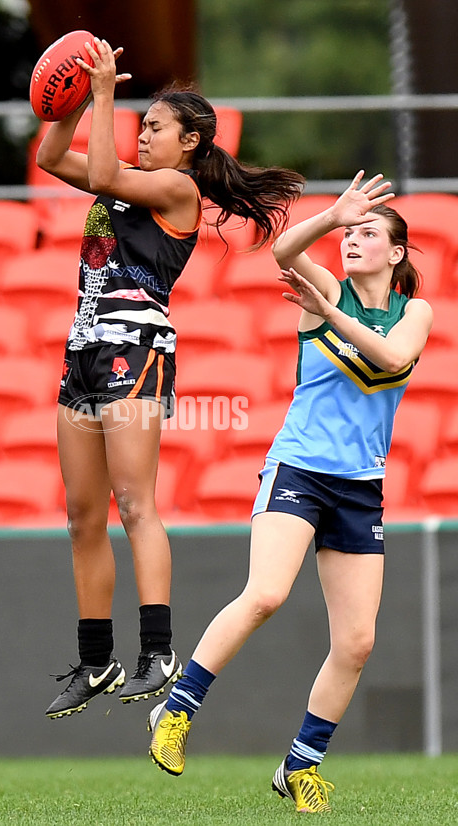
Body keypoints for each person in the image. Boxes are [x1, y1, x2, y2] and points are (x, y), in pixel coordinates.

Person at [36, 36, 305, 720]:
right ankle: (97, 661)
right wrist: (67, 102)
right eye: (142, 124)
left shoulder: (175, 188)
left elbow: (98, 175)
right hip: (83, 349)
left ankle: (159, 651)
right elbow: (49, 157)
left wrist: (101, 94)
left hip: (136, 347)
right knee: (81, 518)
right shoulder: (129, 178)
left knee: (135, 505)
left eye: (154, 126)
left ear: (190, 142)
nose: (143, 134)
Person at [148, 170, 433, 813]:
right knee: (267, 593)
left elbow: (391, 360)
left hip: (360, 488)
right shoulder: (325, 287)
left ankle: (299, 766)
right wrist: (332, 215)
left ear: (396, 253)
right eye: (349, 233)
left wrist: (330, 315)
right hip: (300, 469)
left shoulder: (411, 310)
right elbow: (280, 252)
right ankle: (178, 709)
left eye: (369, 234)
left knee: (357, 643)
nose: (354, 241)